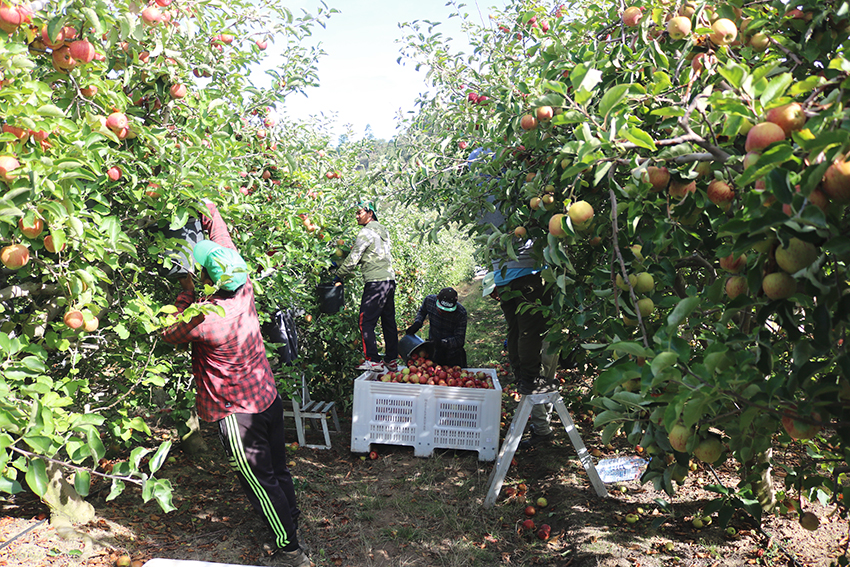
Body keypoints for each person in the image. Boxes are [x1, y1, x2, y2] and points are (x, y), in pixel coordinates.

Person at [162, 200, 311, 567]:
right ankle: (291, 520)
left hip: (236, 414)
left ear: (210, 279)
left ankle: (288, 548)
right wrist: (205, 206)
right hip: (266, 397)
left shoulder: (204, 319)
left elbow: (169, 332)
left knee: (261, 483)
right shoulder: (243, 289)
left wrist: (185, 287)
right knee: (278, 469)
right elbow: (223, 239)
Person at [334, 201, 399, 372]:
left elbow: (353, 259)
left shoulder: (365, 232)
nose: (356, 216)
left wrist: (339, 274)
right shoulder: (383, 230)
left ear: (370, 214)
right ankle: (391, 359)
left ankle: (373, 360)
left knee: (366, 321)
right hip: (389, 280)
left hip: (376, 283)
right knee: (388, 321)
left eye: (359, 213)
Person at [405, 287, 468, 368]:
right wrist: (418, 322)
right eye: (441, 309)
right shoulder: (429, 301)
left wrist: (442, 342)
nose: (444, 312)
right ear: (437, 298)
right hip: (434, 349)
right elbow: (422, 312)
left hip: (452, 353)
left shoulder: (460, 313)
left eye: (448, 311)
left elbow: (459, 340)